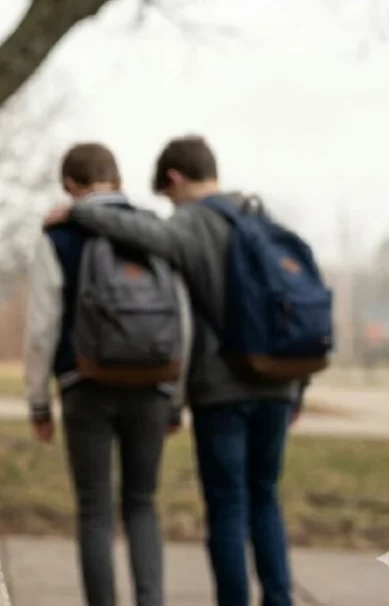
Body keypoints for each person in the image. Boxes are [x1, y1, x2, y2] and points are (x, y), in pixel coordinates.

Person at [44, 135, 303, 606]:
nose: (169, 204)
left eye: (167, 194)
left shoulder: (190, 224)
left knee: (227, 505)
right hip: (280, 384)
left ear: (175, 179)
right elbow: (288, 301)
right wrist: (297, 388)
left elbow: (145, 236)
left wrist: (77, 210)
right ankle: (280, 599)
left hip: (222, 388)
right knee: (265, 496)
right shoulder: (260, 218)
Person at [25, 142, 190, 606]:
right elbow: (183, 318)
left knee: (95, 511)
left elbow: (41, 326)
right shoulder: (153, 230)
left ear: (70, 187)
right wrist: (175, 395)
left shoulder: (58, 235)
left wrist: (38, 401)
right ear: (117, 181)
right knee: (142, 504)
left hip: (85, 386)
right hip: (153, 384)